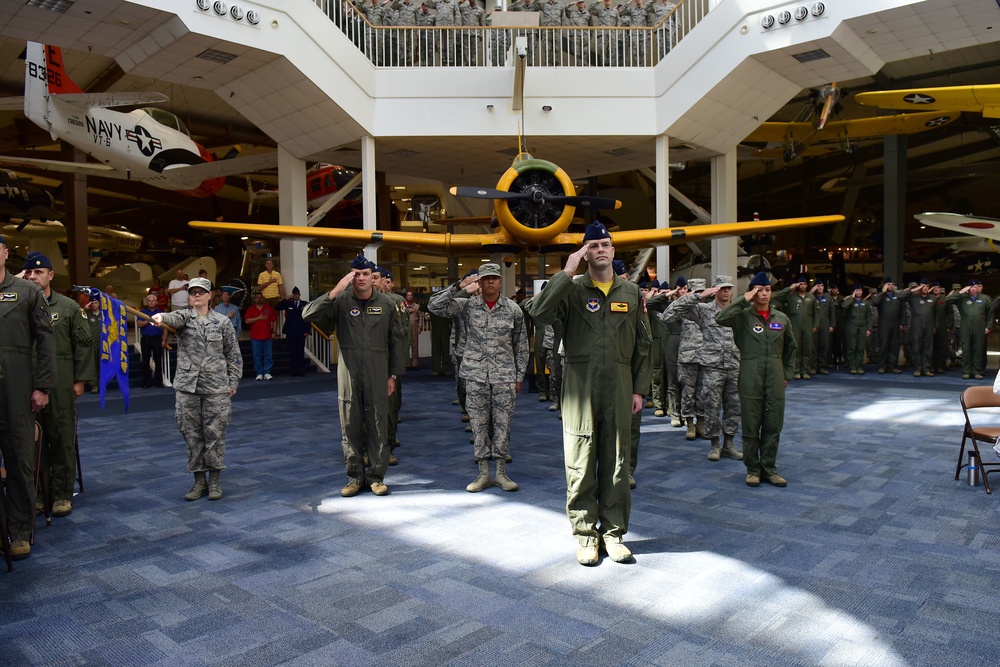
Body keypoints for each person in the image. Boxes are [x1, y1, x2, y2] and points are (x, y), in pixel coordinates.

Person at [527, 220, 651, 566]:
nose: (599, 250)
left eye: (605, 244)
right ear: (585, 252)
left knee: (616, 463)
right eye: (592, 245)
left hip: (620, 384)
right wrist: (566, 272)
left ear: (613, 251)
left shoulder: (631, 292)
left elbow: (645, 345)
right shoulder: (573, 289)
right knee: (581, 462)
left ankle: (613, 534)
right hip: (580, 385)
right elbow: (537, 313)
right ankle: (585, 536)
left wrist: (639, 389)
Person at [303, 255, 403, 497]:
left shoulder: (387, 304)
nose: (361, 278)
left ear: (372, 277)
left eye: (365, 274)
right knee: (350, 424)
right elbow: (308, 314)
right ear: (350, 277)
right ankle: (355, 477)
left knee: (378, 423)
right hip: (348, 371)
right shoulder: (341, 302)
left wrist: (393, 375)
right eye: (356, 274)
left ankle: (377, 477)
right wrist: (336, 290)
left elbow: (396, 341)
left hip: (378, 369)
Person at [429, 263, 528, 492]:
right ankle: (483, 473)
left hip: (504, 376)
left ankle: (501, 473)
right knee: (478, 424)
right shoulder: (466, 306)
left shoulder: (513, 309)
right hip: (475, 375)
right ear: (480, 283)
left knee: (503, 424)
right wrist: (459, 286)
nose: (490, 282)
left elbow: (521, 346)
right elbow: (434, 306)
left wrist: (519, 376)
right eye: (486, 279)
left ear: (500, 282)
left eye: (494, 278)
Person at [152, 277, 243, 501]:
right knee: (191, 434)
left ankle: (214, 481)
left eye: (201, 292)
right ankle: (198, 481)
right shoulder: (184, 317)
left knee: (215, 434)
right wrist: (161, 317)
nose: (197, 296)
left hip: (215, 388)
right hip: (188, 388)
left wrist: (233, 382)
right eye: (193, 293)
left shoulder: (222, 322)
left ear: (210, 295)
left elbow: (233, 354)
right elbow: (172, 318)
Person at [21, 253, 94, 520]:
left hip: (61, 381)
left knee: (61, 437)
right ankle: (39, 495)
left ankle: (62, 493)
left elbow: (84, 345)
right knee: (31, 442)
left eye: (38, 273)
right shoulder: (18, 305)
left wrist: (79, 380)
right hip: (27, 382)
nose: (32, 277)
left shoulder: (68, 307)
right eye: (28, 274)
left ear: (50, 275)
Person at [0, 238, 56, 560]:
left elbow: (45, 341)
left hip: (17, 389)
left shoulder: (27, 292)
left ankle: (20, 531)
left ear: (7, 254)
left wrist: (43, 386)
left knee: (20, 461)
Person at [716, 272, 795, 488]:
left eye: (767, 290)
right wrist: (744, 299)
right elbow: (720, 318)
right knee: (751, 424)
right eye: (759, 290)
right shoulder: (742, 316)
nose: (764, 294)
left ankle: (769, 469)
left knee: (773, 423)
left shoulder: (781, 318)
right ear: (752, 292)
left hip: (775, 375)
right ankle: (753, 469)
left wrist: (786, 374)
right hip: (750, 372)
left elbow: (791, 348)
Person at [668, 275, 743, 462]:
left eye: (728, 288)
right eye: (722, 288)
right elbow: (670, 313)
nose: (726, 291)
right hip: (712, 367)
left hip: (735, 365)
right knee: (711, 407)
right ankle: (715, 445)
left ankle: (729, 444)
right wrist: (697, 297)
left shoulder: (740, 311)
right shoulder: (703, 310)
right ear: (714, 290)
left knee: (734, 407)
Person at [947, 279, 992, 380]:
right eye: (971, 287)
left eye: (975, 287)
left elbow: (990, 313)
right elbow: (948, 300)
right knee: (966, 348)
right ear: (968, 288)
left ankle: (977, 371)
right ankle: (966, 371)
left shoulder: (985, 299)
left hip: (979, 326)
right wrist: (961, 291)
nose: (973, 289)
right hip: (965, 326)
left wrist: (988, 326)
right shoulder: (962, 298)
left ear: (978, 289)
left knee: (978, 349)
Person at [773, 276, 817, 379]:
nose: (802, 286)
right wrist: (790, 288)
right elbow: (777, 297)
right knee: (796, 348)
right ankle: (796, 370)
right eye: (800, 284)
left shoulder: (811, 297)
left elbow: (816, 312)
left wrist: (816, 325)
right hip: (795, 325)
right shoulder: (791, 297)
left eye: (804, 284)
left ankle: (805, 370)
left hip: (808, 325)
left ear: (807, 285)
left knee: (807, 348)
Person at [840, 284, 873, 374]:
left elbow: (869, 316)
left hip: (862, 327)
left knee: (860, 347)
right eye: (856, 290)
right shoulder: (850, 302)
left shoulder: (865, 303)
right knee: (852, 347)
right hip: (851, 326)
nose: (859, 292)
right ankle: (852, 366)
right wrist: (852, 298)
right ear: (853, 292)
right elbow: (843, 306)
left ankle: (859, 366)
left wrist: (869, 329)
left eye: (860, 290)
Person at [276, 287, 310, 376]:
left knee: (300, 351)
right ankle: (294, 370)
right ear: (293, 295)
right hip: (291, 331)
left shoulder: (304, 304)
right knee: (292, 351)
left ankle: (301, 370)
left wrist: (307, 330)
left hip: (301, 331)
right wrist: (286, 299)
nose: (296, 296)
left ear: (300, 295)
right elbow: (277, 307)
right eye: (294, 294)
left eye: (297, 294)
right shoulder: (288, 303)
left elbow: (308, 318)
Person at [245, 292, 276, 380]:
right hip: (255, 337)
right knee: (257, 356)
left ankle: (267, 372)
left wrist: (274, 332)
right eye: (257, 297)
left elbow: (274, 320)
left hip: (267, 336)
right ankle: (259, 373)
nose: (259, 299)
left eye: (260, 297)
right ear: (254, 299)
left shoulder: (268, 308)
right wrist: (258, 318)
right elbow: (247, 321)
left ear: (263, 298)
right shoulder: (251, 309)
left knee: (268, 355)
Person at [139, 294, 167, 388]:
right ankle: (147, 382)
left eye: (153, 300)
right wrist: (149, 320)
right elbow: (139, 324)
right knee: (146, 361)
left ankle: (159, 382)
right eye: (149, 301)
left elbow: (165, 327)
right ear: (147, 302)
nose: (151, 302)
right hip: (146, 339)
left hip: (157, 339)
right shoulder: (143, 312)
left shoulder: (161, 313)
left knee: (158, 361)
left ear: (156, 302)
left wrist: (164, 339)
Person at [404, 290, 423, 368]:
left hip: (414, 327)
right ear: (406, 297)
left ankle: (415, 362)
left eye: (411, 295)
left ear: (413, 296)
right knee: (406, 346)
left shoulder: (417, 306)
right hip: (405, 327)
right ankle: (406, 363)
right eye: (408, 295)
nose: (409, 297)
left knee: (415, 345)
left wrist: (420, 326)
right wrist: (409, 310)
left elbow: (420, 317)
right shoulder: (403, 306)